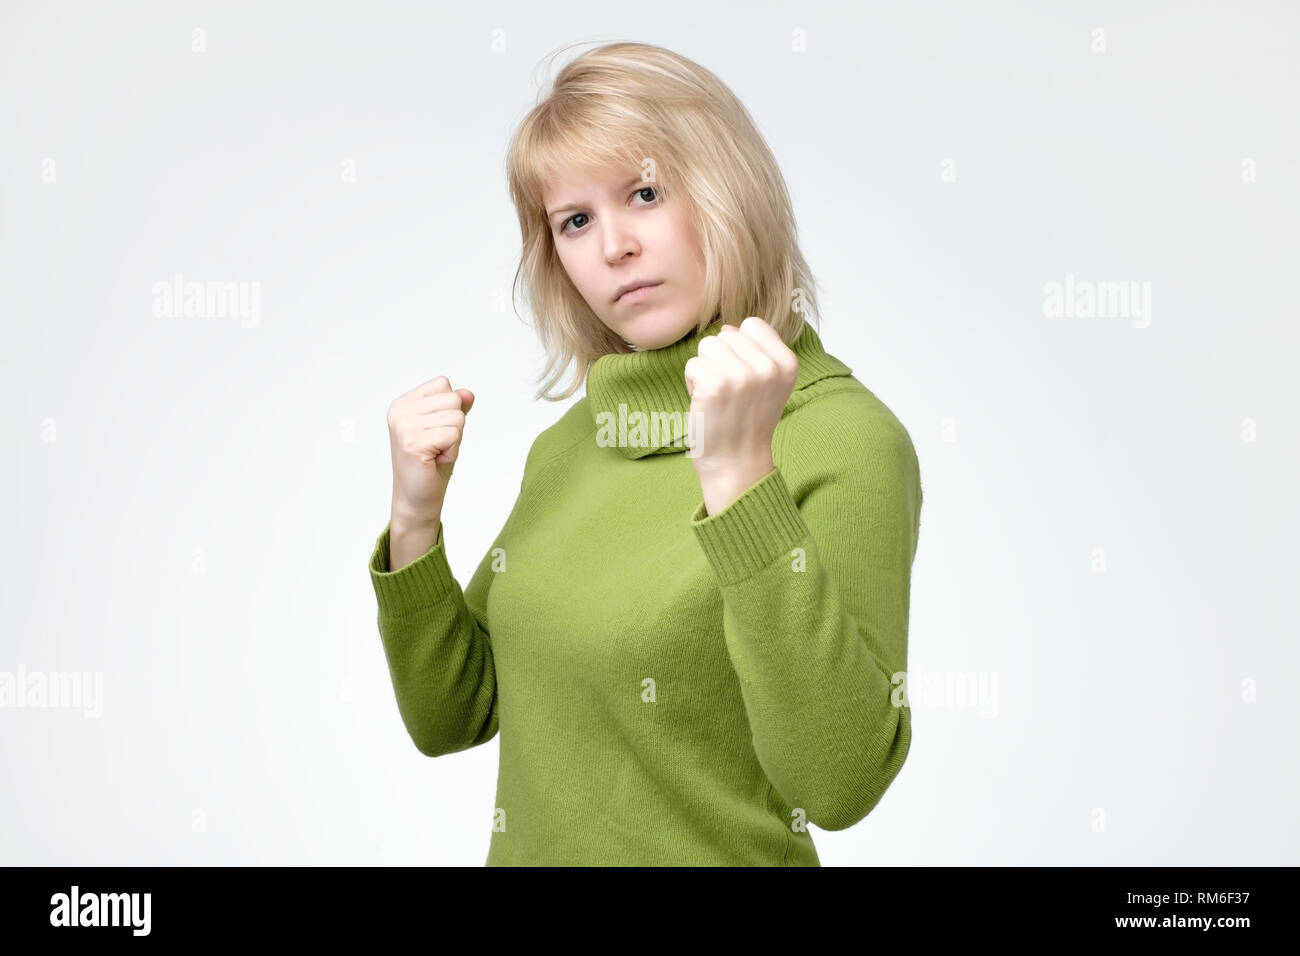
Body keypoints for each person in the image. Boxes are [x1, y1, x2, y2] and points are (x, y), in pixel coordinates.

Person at [367, 41, 923, 866]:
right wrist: (415, 521)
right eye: (575, 221)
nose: (613, 247)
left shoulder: (844, 439)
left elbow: (839, 783)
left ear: (730, 190)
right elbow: (455, 714)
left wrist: (741, 482)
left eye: (646, 193)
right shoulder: (574, 445)